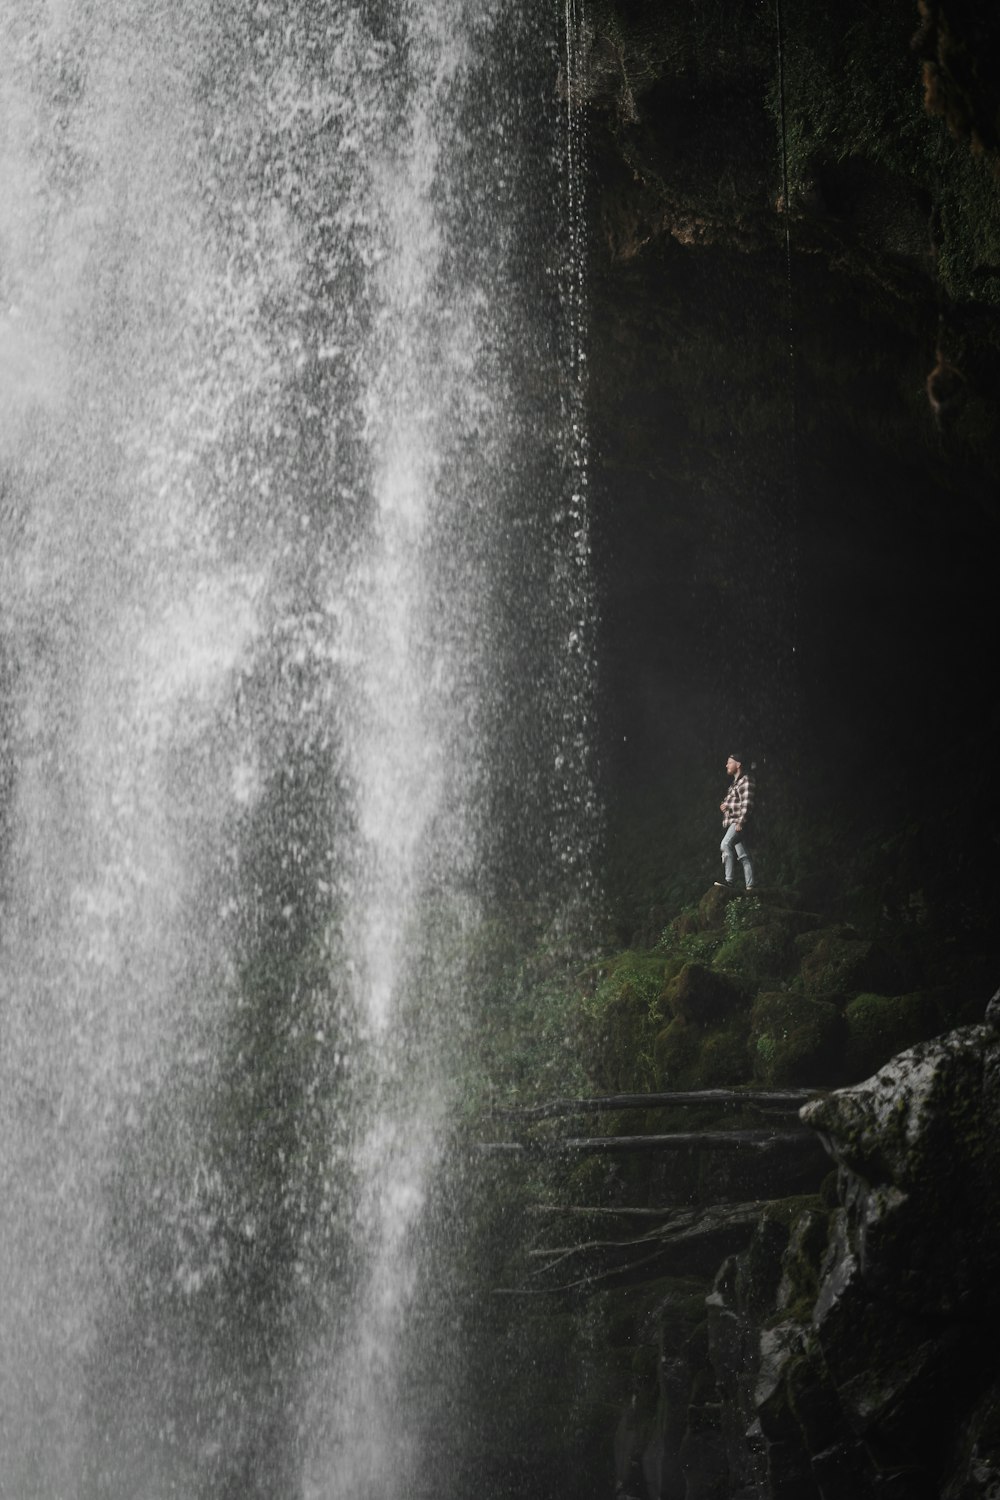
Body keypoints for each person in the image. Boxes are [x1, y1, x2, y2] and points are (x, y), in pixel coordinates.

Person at [715, 751, 755, 890]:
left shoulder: (746, 780)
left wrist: (740, 822)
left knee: (725, 844)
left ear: (738, 764)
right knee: (743, 855)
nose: (727, 765)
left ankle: (729, 881)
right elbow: (736, 802)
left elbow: (747, 803)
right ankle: (750, 886)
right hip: (734, 821)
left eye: (729, 762)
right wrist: (725, 807)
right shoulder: (734, 784)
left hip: (738, 822)